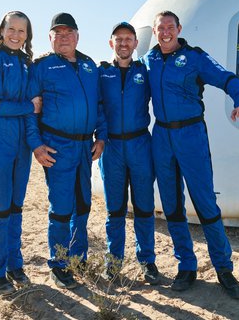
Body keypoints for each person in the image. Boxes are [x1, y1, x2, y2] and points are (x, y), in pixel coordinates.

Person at [140, 10, 239, 299]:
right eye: (160, 28)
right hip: (162, 136)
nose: (165, 32)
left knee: (204, 203)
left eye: (170, 27)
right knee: (172, 205)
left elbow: (228, 79)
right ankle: (186, 266)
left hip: (191, 135)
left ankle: (224, 269)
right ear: (154, 32)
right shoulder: (148, 62)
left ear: (178, 28)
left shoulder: (195, 57)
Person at [25, 12, 107, 289]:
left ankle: (78, 257)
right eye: (57, 33)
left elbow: (99, 105)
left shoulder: (89, 66)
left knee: (82, 205)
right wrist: (36, 144)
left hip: (85, 146)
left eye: (68, 32)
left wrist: (102, 137)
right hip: (57, 146)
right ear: (50, 38)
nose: (63, 38)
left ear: (77, 35)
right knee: (61, 208)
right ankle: (59, 265)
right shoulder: (42, 67)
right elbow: (31, 111)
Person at [0, 11, 42, 297]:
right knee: (0, 207)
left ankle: (15, 265)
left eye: (22, 31)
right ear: (2, 30)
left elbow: (32, 105)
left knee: (16, 206)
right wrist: (29, 106)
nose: (16, 35)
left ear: (28, 35)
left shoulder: (27, 64)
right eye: (11, 29)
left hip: (21, 145)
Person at [98, 22, 159, 284]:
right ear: (111, 43)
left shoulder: (145, 71)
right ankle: (114, 263)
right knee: (115, 210)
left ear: (136, 44)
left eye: (129, 39)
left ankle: (147, 262)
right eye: (118, 39)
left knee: (144, 208)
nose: (124, 43)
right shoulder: (101, 73)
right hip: (112, 147)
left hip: (139, 145)